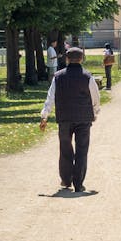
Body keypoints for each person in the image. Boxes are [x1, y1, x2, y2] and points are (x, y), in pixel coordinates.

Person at [39, 47, 100, 193]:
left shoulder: (58, 77)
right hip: (83, 118)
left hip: (64, 118)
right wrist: (95, 112)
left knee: (65, 149)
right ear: (82, 59)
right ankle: (78, 183)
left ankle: (66, 180)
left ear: (66, 59)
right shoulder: (87, 77)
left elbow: (50, 98)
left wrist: (44, 116)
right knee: (82, 150)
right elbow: (95, 97)